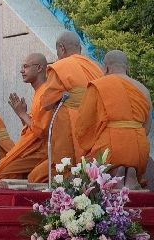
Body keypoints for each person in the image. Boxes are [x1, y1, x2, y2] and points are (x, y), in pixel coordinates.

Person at [26, 31, 104, 183]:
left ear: (61, 48)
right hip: (92, 126)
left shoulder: (60, 66)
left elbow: (47, 102)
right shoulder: (96, 68)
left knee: (39, 176)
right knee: (86, 168)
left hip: (69, 125)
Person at [75, 50, 151, 186]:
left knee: (83, 174)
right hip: (139, 149)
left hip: (110, 149)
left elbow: (84, 124)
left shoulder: (100, 85)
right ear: (128, 68)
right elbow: (147, 127)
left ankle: (116, 172)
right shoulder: (143, 89)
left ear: (106, 67)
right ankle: (130, 173)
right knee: (131, 154)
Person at [0, 52, 49, 183]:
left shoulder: (46, 93)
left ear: (39, 68)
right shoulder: (38, 92)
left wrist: (23, 114)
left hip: (40, 151)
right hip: (32, 148)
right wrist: (21, 114)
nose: (21, 70)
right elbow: (32, 126)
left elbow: (42, 131)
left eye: (26, 66)